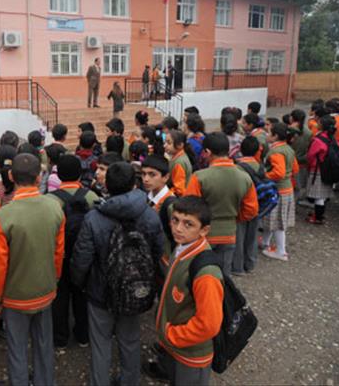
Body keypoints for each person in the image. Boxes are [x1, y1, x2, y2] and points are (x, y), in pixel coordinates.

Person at [71, 161, 163, 386]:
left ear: (107, 186)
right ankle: (129, 380)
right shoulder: (149, 215)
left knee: (100, 342)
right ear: (134, 184)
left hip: (99, 290)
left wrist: (79, 283)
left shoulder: (94, 218)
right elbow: (158, 251)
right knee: (130, 339)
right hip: (135, 287)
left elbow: (82, 258)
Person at [0, 153, 65, 386]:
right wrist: (54, 279)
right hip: (45, 289)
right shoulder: (55, 207)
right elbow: (58, 252)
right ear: (39, 176)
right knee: (44, 343)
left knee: (17, 348)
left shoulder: (3, 216)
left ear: (11, 176)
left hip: (15, 296)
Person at [156, 196, 224, 386]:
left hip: (190, 354)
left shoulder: (206, 273)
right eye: (175, 220)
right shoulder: (183, 246)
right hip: (177, 347)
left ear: (204, 230)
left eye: (188, 224)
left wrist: (172, 335)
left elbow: (209, 325)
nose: (178, 228)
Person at [184, 132, 258, 277]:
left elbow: (189, 207)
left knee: (201, 274)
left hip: (203, 234)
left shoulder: (199, 177)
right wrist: (235, 218)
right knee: (223, 276)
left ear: (207, 152)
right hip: (229, 233)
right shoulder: (244, 177)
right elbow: (251, 209)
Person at [49, 154, 101, 349]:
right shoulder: (92, 196)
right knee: (82, 294)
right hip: (84, 255)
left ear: (58, 175)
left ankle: (60, 338)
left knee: (59, 297)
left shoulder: (49, 200)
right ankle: (83, 335)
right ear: (80, 174)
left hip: (59, 255)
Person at [262, 123, 299, 262]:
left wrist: (264, 175)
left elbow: (279, 172)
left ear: (275, 136)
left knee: (278, 222)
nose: (266, 134)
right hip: (287, 188)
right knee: (273, 218)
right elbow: (295, 169)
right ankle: (265, 242)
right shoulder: (288, 149)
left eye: (268, 132)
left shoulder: (276, 151)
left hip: (278, 190)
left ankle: (281, 251)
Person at [140, 155, 177, 273]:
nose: (146, 179)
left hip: (164, 262)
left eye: (152, 175)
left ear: (165, 177)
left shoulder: (171, 205)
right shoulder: (145, 197)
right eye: (143, 174)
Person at [233, 137, 262, 275]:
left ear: (240, 149)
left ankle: (238, 267)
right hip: (256, 205)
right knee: (252, 237)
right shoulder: (259, 166)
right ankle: (250, 263)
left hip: (241, 206)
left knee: (239, 237)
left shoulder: (237, 167)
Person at [306, 115, 336, 225]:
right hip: (328, 169)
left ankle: (318, 217)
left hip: (318, 169)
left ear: (322, 125)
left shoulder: (318, 139)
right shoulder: (331, 138)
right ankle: (319, 214)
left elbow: (310, 155)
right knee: (322, 195)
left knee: (318, 196)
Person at [289, 109, 312, 203]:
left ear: (292, 118)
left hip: (291, 161)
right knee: (299, 184)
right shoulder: (308, 132)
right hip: (303, 161)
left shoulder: (290, 130)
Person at [165, 130, 193, 197]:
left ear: (180, 145)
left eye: (169, 143)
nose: (164, 145)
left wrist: (164, 194)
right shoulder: (178, 157)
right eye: (165, 142)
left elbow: (179, 190)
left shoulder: (179, 162)